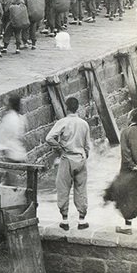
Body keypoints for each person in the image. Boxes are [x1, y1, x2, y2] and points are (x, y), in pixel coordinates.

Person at [104, 108, 137, 235]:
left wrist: (133, 166)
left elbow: (126, 154)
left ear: (131, 118)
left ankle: (127, 227)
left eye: (128, 115)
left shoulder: (125, 132)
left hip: (128, 171)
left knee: (126, 197)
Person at [45, 97, 91, 231]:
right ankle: (81, 220)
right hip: (80, 158)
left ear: (66, 108)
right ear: (78, 108)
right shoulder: (84, 124)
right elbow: (87, 145)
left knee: (63, 188)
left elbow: (49, 138)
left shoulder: (63, 122)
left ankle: (64, 220)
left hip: (67, 158)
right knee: (81, 189)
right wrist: (84, 155)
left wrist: (59, 148)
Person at [0, 93, 27, 164]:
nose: (5, 105)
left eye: (7, 103)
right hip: (18, 152)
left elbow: (2, 135)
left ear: (11, 104)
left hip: (13, 154)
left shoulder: (10, 118)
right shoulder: (20, 117)